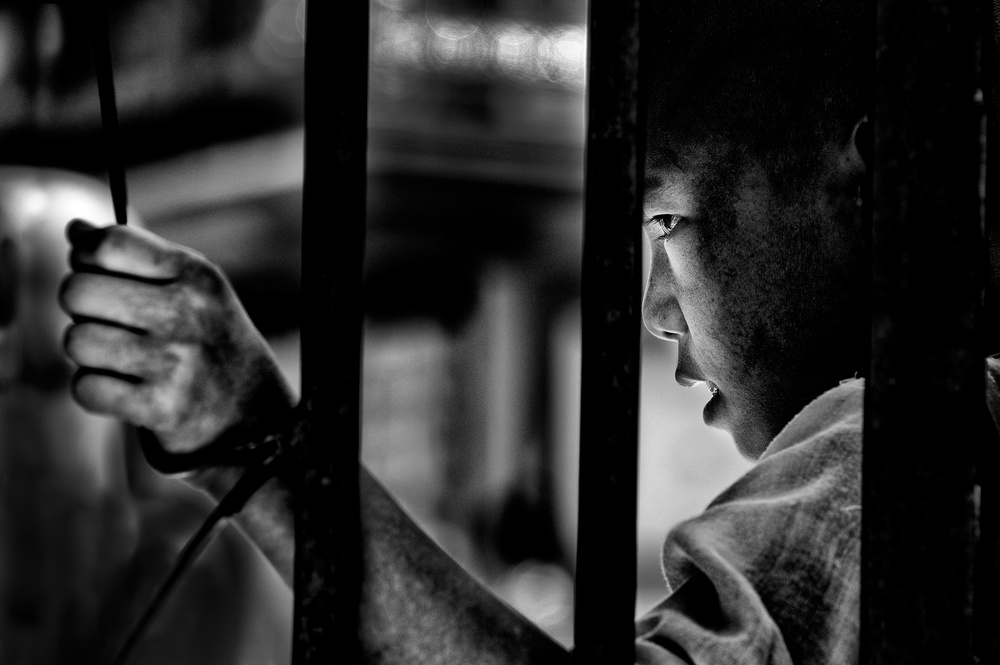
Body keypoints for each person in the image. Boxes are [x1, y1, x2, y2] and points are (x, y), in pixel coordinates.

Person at [58, 0, 873, 662]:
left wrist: (258, 441)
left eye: (667, 219)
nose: (658, 311)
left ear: (876, 188)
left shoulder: (895, 450)